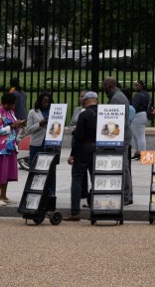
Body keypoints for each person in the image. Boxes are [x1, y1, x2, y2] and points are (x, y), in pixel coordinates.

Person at [63, 91, 99, 221]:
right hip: (98, 148)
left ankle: (75, 212)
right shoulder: (103, 113)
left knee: (77, 178)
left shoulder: (84, 114)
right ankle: (97, 208)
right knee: (96, 178)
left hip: (85, 147)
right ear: (97, 100)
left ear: (85, 101)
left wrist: (73, 154)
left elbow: (78, 136)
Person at [102, 76, 134, 205]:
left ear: (109, 86)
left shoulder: (116, 99)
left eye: (104, 86)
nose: (103, 89)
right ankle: (126, 194)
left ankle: (126, 195)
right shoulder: (118, 96)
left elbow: (115, 121)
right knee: (123, 164)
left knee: (123, 165)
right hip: (123, 134)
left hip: (120, 136)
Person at [0, 91, 26, 205]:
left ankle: (4, 196)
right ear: (7, 103)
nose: (14, 105)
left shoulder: (10, 112)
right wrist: (12, 126)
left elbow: (12, 125)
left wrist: (18, 124)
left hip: (10, 145)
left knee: (6, 171)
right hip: (1, 147)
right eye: (13, 103)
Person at [25, 91, 55, 196]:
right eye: (44, 101)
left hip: (50, 144)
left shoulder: (54, 111)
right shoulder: (33, 112)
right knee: (35, 169)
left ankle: (50, 192)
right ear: (40, 101)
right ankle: (35, 191)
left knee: (51, 170)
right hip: (36, 144)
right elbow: (28, 129)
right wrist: (39, 124)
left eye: (48, 102)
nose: (46, 104)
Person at [130, 79, 151, 160]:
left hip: (138, 116)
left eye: (137, 85)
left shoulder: (138, 95)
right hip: (145, 115)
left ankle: (142, 154)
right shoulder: (147, 94)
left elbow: (133, 107)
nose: (135, 86)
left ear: (141, 86)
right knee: (136, 135)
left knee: (140, 136)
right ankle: (138, 152)